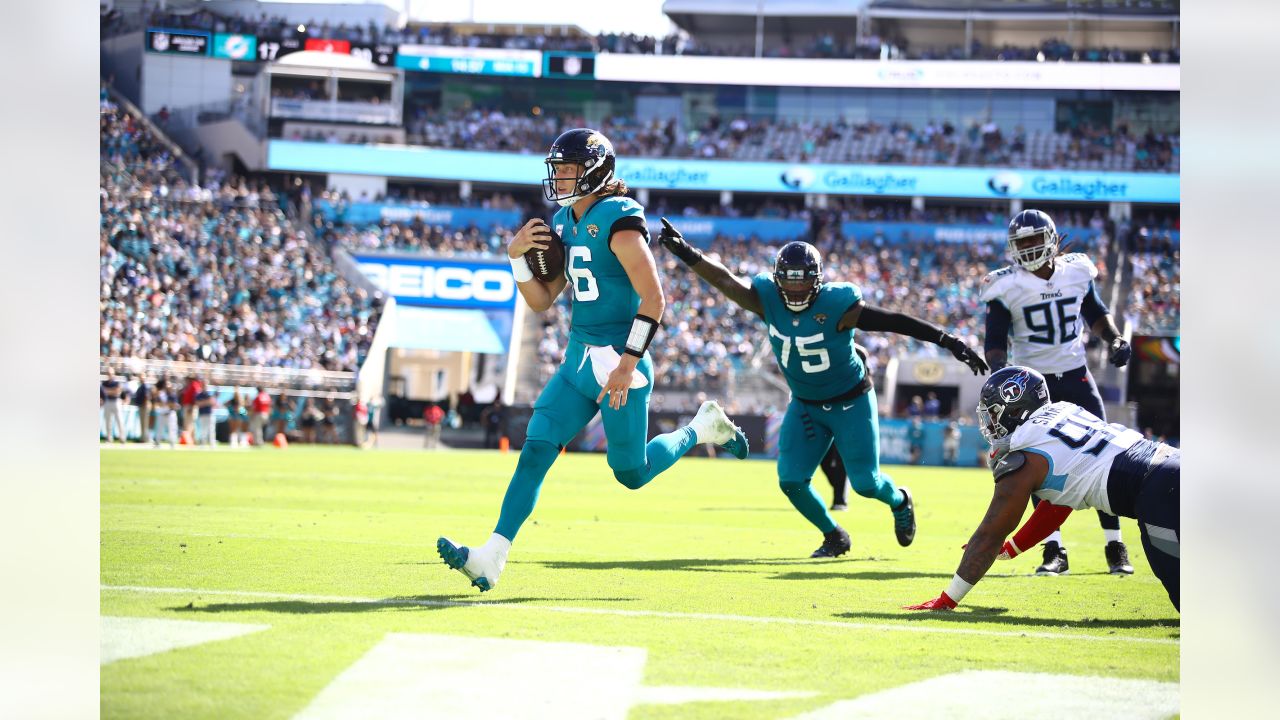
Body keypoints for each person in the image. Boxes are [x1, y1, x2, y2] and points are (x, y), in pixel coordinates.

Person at [438, 128, 749, 593]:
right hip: (578, 359)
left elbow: (654, 298)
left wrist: (628, 363)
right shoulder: (563, 223)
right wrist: (515, 258)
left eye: (568, 169)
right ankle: (490, 557)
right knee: (536, 449)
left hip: (616, 363)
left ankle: (701, 428)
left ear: (596, 171)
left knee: (631, 473)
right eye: (557, 169)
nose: (560, 178)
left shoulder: (619, 220)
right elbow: (542, 301)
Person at [660, 224, 989, 557]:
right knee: (790, 480)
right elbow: (725, 280)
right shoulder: (766, 300)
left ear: (817, 280)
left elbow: (894, 321)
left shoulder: (838, 304)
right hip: (806, 404)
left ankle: (900, 500)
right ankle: (834, 535)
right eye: (788, 279)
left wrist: (949, 340)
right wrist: (688, 253)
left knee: (866, 483)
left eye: (802, 279)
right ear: (776, 279)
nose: (796, 287)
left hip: (851, 401)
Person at [904, 367, 1179, 612]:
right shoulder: (1066, 410)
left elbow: (989, 534)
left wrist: (947, 600)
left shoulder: (1025, 456)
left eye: (993, 413)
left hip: (1158, 493)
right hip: (1171, 463)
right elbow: (1062, 501)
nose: (989, 423)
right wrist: (1013, 547)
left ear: (1014, 409)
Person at [980, 209, 1135, 576]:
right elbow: (994, 341)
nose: (1029, 248)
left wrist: (1114, 339)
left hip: (1076, 375)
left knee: (1104, 454)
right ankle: (1055, 550)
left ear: (1050, 239)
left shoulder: (1077, 271)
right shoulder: (1005, 284)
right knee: (1036, 464)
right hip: (1033, 388)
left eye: (1035, 240)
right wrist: (1001, 371)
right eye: (1022, 243)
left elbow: (1095, 312)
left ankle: (1114, 544)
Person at [101, 371, 127, 443]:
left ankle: (122, 437)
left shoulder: (116, 383)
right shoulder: (104, 383)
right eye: (108, 374)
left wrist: (108, 391)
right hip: (107, 402)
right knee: (108, 421)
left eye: (111, 374)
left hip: (116, 402)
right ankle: (109, 438)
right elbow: (103, 392)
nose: (110, 375)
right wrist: (111, 391)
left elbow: (117, 391)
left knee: (119, 420)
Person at [194, 382, 217, 446]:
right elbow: (198, 404)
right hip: (202, 414)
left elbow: (212, 403)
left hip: (209, 414)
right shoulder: (199, 395)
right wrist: (206, 402)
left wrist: (204, 402)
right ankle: (203, 443)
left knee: (211, 429)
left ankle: (212, 443)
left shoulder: (209, 394)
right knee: (203, 429)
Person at [133, 375, 152, 444]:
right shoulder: (141, 386)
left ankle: (145, 438)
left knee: (145, 423)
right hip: (142, 406)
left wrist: (145, 404)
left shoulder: (145, 386)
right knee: (142, 423)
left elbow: (147, 396)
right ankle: (143, 438)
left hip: (144, 406)